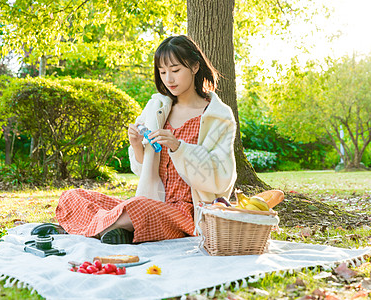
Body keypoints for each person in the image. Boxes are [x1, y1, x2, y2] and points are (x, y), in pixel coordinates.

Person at [32, 35, 237, 244]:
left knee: (138, 208)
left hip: (186, 215)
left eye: (175, 70)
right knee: (73, 196)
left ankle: (75, 230)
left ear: (194, 67)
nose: (169, 79)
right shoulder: (157, 108)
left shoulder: (217, 116)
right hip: (150, 201)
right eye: (162, 72)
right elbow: (142, 171)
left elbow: (221, 179)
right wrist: (137, 145)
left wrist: (179, 147)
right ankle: (114, 230)